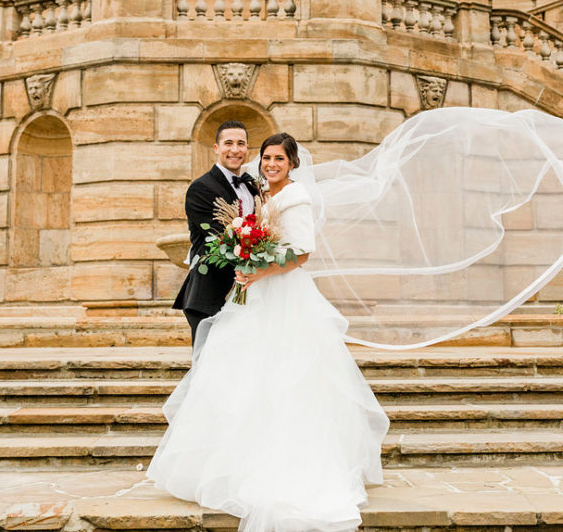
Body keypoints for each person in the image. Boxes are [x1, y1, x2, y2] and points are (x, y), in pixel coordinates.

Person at [148, 132, 390, 532]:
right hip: (254, 293)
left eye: (278, 158)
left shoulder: (295, 198)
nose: (270, 163)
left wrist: (256, 270)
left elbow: (301, 253)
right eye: (266, 157)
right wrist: (249, 264)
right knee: (242, 377)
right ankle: (235, 462)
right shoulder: (262, 195)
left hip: (282, 297)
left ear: (293, 163)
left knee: (286, 378)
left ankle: (288, 466)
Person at [173, 120, 259, 344]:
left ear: (247, 148)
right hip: (210, 293)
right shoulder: (201, 188)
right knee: (208, 369)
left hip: (250, 292)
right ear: (216, 148)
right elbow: (219, 238)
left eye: (241, 144)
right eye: (228, 143)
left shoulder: (252, 186)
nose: (235, 149)